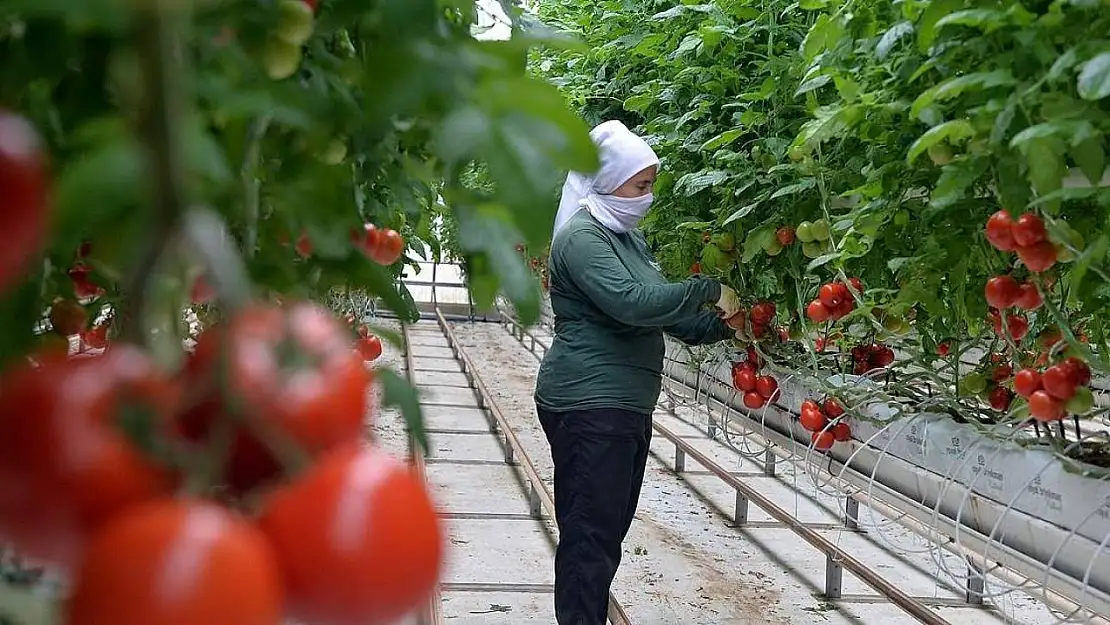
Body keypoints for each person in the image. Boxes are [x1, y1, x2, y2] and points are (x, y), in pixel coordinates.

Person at [534, 120, 742, 625]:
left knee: (604, 532)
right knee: (591, 536)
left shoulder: (625, 238)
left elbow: (665, 316)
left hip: (621, 407)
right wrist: (709, 290)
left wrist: (732, 328)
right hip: (589, 404)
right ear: (609, 178)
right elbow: (632, 303)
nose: (646, 197)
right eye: (641, 185)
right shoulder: (582, 237)